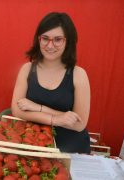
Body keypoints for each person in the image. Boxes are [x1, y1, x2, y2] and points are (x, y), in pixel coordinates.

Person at [11, 12, 91, 153]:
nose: (50, 45)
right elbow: (17, 110)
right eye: (45, 38)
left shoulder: (79, 74)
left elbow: (79, 124)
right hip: (35, 147)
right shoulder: (27, 69)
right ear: (39, 39)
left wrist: (38, 107)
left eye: (58, 39)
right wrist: (56, 119)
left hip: (71, 150)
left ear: (68, 42)